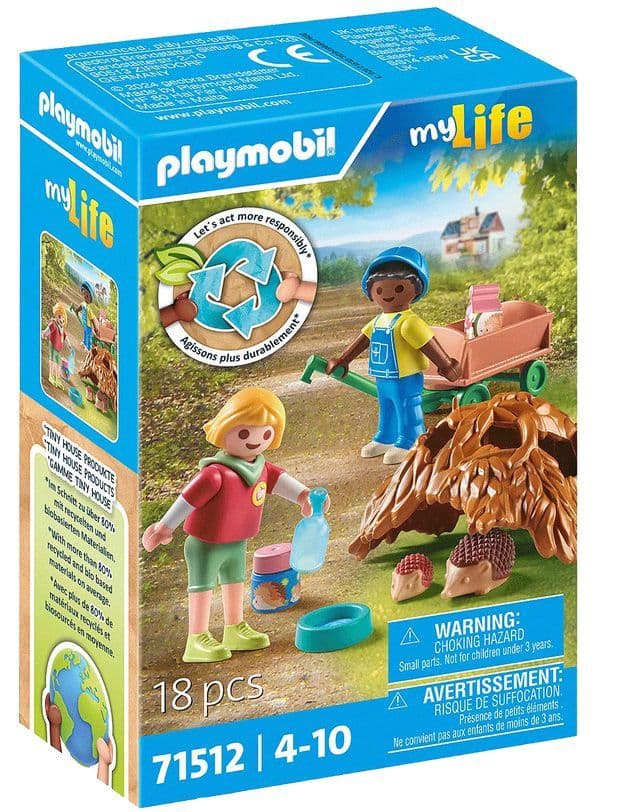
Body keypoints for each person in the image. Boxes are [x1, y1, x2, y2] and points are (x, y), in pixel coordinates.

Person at [141, 387, 327, 663]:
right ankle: (196, 638)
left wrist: (304, 496)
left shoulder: (262, 468)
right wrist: (164, 526)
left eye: (265, 434)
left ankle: (234, 628)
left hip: (237, 540)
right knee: (202, 587)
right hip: (206, 543)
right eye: (244, 433)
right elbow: (187, 500)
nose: (255, 441)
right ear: (224, 428)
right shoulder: (215, 474)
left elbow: (283, 483)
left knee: (234, 582)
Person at [326, 247, 461, 465]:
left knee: (407, 407)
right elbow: (363, 340)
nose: (387, 294)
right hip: (383, 376)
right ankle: (385, 437)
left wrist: (446, 364)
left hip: (405, 377)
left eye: (399, 288)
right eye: (379, 289)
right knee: (387, 406)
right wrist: (344, 359)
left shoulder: (409, 323)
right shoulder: (378, 321)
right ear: (371, 292)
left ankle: (411, 439)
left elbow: (428, 345)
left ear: (416, 289)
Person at [41, 302, 71, 390]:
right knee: (52, 361)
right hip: (53, 345)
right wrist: (43, 334)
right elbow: (47, 331)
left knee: (58, 364)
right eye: (59, 316)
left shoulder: (61, 328)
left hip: (59, 348)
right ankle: (51, 375)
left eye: (62, 317)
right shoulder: (53, 325)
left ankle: (57, 378)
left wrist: (69, 345)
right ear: (56, 315)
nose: (61, 319)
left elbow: (65, 337)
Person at [72, 281, 98, 350]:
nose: (86, 297)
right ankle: (84, 342)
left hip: (88, 325)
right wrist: (76, 310)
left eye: (87, 296)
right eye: (84, 294)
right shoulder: (83, 303)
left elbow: (92, 319)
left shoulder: (89, 308)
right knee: (85, 333)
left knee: (88, 335)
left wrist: (95, 327)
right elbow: (79, 308)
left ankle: (88, 347)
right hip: (84, 323)